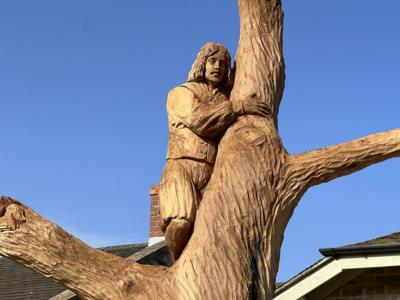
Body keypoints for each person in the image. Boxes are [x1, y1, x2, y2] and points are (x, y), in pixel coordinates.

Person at [159, 42, 269, 262]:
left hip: (213, 171)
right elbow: (199, 120)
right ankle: (175, 264)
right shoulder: (181, 92)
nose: (217, 66)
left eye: (223, 63)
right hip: (182, 166)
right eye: (212, 61)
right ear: (202, 63)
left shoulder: (224, 98)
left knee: (212, 231)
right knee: (181, 221)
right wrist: (239, 107)